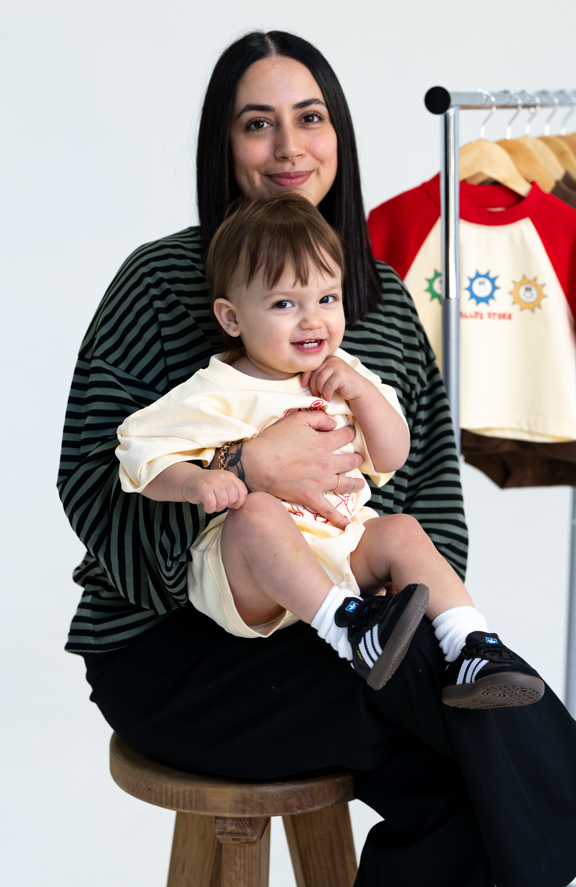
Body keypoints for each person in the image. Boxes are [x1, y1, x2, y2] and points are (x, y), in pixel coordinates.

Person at [58, 30, 576, 887]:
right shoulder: (157, 282)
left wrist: (407, 621)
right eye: (257, 124)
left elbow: (428, 495)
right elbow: (91, 491)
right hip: (173, 650)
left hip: (342, 635)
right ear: (224, 144)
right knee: (481, 761)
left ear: (339, 137)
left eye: (310, 118)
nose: (289, 147)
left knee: (471, 738)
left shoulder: (383, 302)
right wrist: (248, 471)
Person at [118, 193, 544, 707]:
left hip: (340, 554)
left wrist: (362, 394)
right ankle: (350, 633)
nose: (312, 321)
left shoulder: (347, 376)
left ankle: (471, 644)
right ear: (232, 318)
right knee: (255, 513)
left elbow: (391, 456)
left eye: (327, 299)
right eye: (284, 304)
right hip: (250, 575)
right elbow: (139, 451)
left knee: (403, 530)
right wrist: (195, 480)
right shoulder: (215, 390)